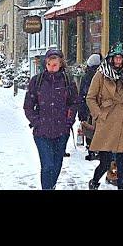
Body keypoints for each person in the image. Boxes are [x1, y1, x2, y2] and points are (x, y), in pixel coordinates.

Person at [24, 48, 79, 190]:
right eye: (49, 64)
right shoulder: (37, 81)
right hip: (42, 132)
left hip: (61, 131)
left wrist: (69, 121)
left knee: (57, 164)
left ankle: (51, 186)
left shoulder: (67, 81)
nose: (51, 68)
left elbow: (74, 103)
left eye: (55, 64)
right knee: (47, 165)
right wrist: (37, 122)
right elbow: (28, 105)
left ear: (61, 64)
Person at [86, 42, 123, 190]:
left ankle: (121, 187)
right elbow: (90, 97)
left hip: (121, 118)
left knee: (121, 159)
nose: (118, 61)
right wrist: (98, 114)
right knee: (105, 161)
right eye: (115, 58)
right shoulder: (101, 74)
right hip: (106, 119)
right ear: (110, 58)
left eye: (120, 58)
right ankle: (94, 181)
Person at [76, 52, 102, 160]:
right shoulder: (101, 75)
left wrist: (81, 112)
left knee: (89, 128)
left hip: (89, 106)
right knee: (97, 129)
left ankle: (91, 149)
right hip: (98, 106)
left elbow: (82, 94)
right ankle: (97, 149)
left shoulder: (86, 76)